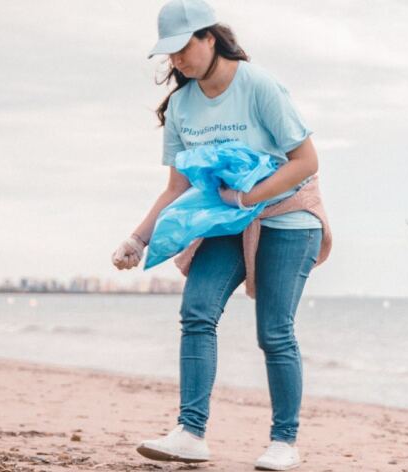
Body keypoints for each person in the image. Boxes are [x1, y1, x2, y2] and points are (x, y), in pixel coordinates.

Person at [110, 0, 330, 469]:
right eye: (168, 54)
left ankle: (284, 443)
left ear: (210, 37)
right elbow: (177, 187)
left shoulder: (259, 86)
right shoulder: (182, 107)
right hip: (228, 219)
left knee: (274, 332)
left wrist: (249, 199)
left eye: (183, 47)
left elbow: (307, 163)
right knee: (196, 310)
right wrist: (138, 239)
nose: (177, 60)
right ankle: (190, 433)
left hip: (287, 217)